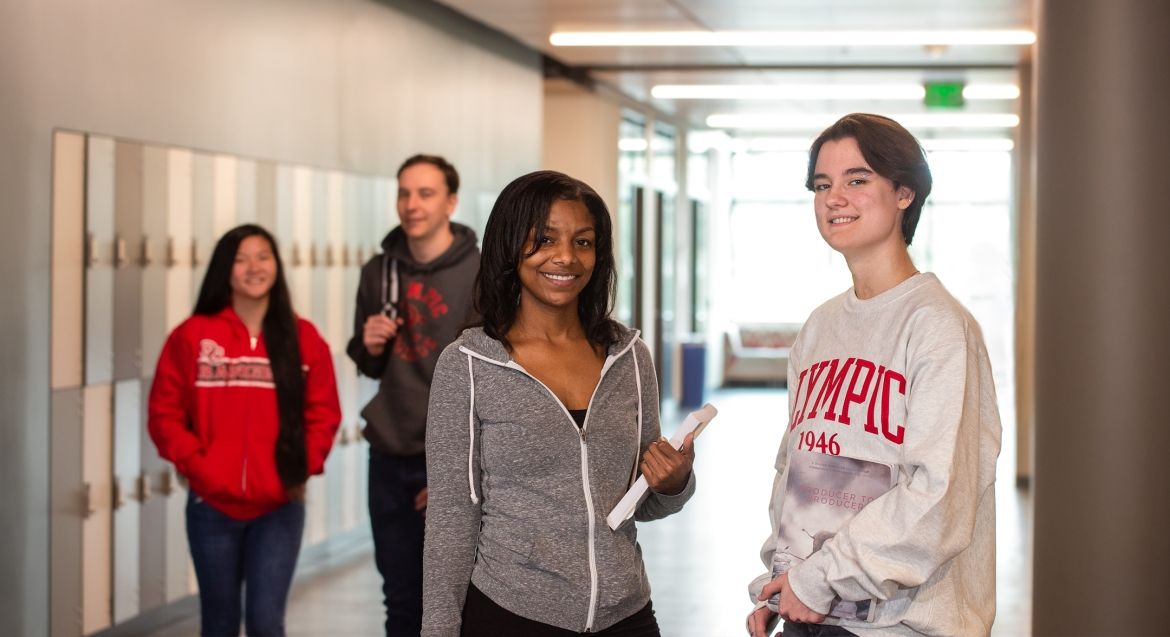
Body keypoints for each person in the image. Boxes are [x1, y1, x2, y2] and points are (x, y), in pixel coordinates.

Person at [746, 114, 1002, 637]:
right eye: (822, 185)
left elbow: (939, 496)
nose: (834, 198)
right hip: (814, 609)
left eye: (857, 180)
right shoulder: (820, 325)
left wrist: (816, 581)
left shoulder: (939, 326)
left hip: (899, 625)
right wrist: (784, 580)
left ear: (904, 191)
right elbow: (795, 466)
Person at [422, 170, 697, 637]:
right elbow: (451, 522)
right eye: (544, 240)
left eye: (584, 242)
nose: (566, 257)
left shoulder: (628, 357)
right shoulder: (468, 364)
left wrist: (674, 482)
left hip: (626, 615)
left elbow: (639, 504)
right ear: (511, 246)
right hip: (512, 613)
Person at [147, 224, 342, 637]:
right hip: (211, 507)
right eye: (241, 258)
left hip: (279, 507)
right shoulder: (193, 336)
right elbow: (164, 413)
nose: (254, 267)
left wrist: (297, 468)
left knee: (266, 623)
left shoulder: (303, 338)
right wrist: (200, 466)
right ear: (225, 269)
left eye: (263, 256)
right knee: (218, 623)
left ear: (276, 265)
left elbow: (324, 415)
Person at [347, 154, 480, 636]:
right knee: (399, 596)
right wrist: (369, 344)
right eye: (404, 193)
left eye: (425, 194)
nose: (411, 204)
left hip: (448, 455)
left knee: (452, 601)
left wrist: (455, 468)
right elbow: (367, 362)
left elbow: (491, 377)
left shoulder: (481, 273)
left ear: (450, 202)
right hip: (389, 451)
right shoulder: (378, 272)